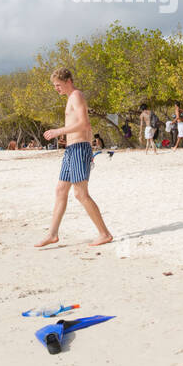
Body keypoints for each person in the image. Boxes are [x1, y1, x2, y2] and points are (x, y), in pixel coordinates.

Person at [36, 67, 112, 248]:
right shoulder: (70, 98)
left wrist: (58, 131)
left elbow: (84, 124)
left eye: (58, 85)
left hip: (79, 149)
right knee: (61, 190)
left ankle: (104, 233)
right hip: (71, 150)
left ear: (68, 81)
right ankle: (52, 234)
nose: (56, 89)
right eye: (55, 86)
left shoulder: (76, 95)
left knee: (80, 193)